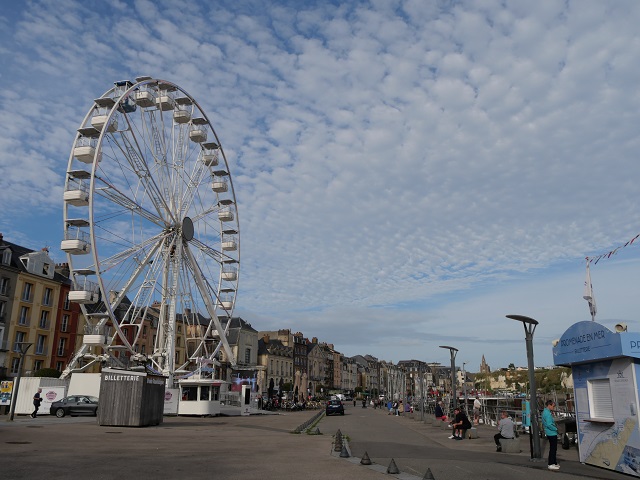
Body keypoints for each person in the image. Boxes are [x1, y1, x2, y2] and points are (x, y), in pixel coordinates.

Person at [542, 400, 560, 471]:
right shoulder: (547, 413)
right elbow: (549, 424)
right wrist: (556, 429)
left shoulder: (546, 412)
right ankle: (551, 463)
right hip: (551, 433)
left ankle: (554, 462)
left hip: (550, 432)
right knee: (553, 448)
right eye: (553, 406)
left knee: (554, 448)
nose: (554, 407)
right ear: (549, 405)